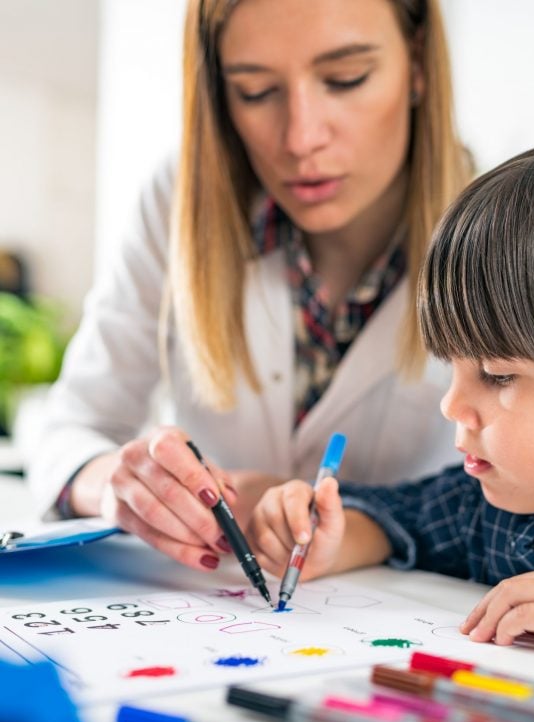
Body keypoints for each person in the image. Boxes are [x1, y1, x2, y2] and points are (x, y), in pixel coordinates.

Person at [29, 0, 470, 570]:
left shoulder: (519, 232)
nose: (301, 138)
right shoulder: (179, 204)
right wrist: (121, 487)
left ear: (416, 64)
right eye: (256, 91)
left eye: (345, 79)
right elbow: (67, 431)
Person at [247, 132, 534, 655]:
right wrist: (331, 536)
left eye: (498, 375)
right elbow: (405, 519)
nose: (451, 405)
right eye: (450, 367)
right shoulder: (496, 506)